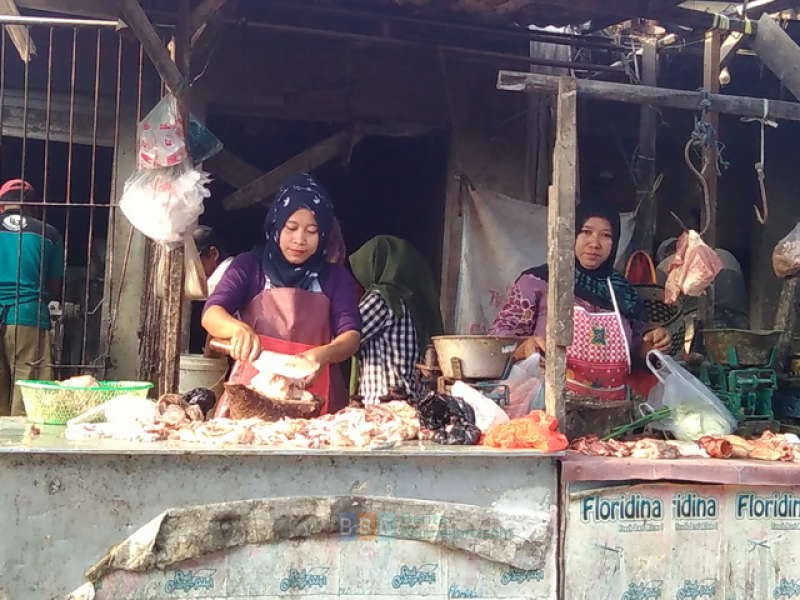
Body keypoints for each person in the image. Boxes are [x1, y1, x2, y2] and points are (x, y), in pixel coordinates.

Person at [202, 173, 361, 415]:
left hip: (316, 398)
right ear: (276, 225)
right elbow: (212, 313)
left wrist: (322, 355)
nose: (300, 240)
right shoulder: (250, 265)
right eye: (292, 228)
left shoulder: (335, 277)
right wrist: (238, 329)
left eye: (312, 231)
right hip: (252, 395)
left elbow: (350, 336)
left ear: (323, 234)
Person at [490, 200, 671, 402]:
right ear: (571, 234)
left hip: (611, 409)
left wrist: (653, 346)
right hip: (545, 407)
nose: (594, 243)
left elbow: (638, 350)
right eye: (586, 232)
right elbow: (497, 343)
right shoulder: (537, 282)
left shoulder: (623, 292)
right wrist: (525, 347)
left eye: (606, 235)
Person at [348, 235, 443, 404]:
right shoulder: (413, 300)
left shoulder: (381, 298)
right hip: (411, 397)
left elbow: (348, 336)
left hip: (382, 400)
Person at [0, 179, 64, 415]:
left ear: (1, 205)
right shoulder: (49, 233)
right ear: (34, 206)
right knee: (28, 385)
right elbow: (54, 285)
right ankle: (21, 435)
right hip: (28, 316)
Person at [193, 225, 233, 296]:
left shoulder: (215, 284)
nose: (192, 268)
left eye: (195, 261)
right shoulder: (240, 266)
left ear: (214, 253)